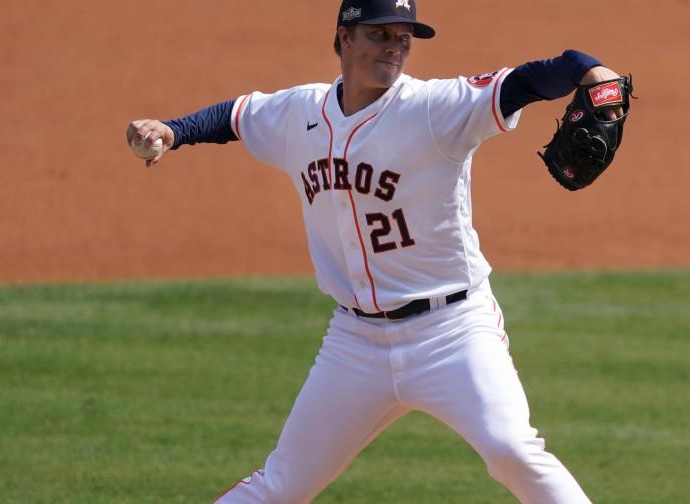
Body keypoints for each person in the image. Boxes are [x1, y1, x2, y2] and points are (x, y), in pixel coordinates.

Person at [127, 1, 623, 502]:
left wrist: (591, 71)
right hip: (355, 342)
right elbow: (234, 117)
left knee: (511, 450)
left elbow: (529, 79)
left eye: (404, 37)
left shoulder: (435, 108)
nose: (395, 47)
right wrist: (173, 131)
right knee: (281, 486)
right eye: (381, 34)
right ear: (344, 37)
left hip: (451, 332)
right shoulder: (300, 112)